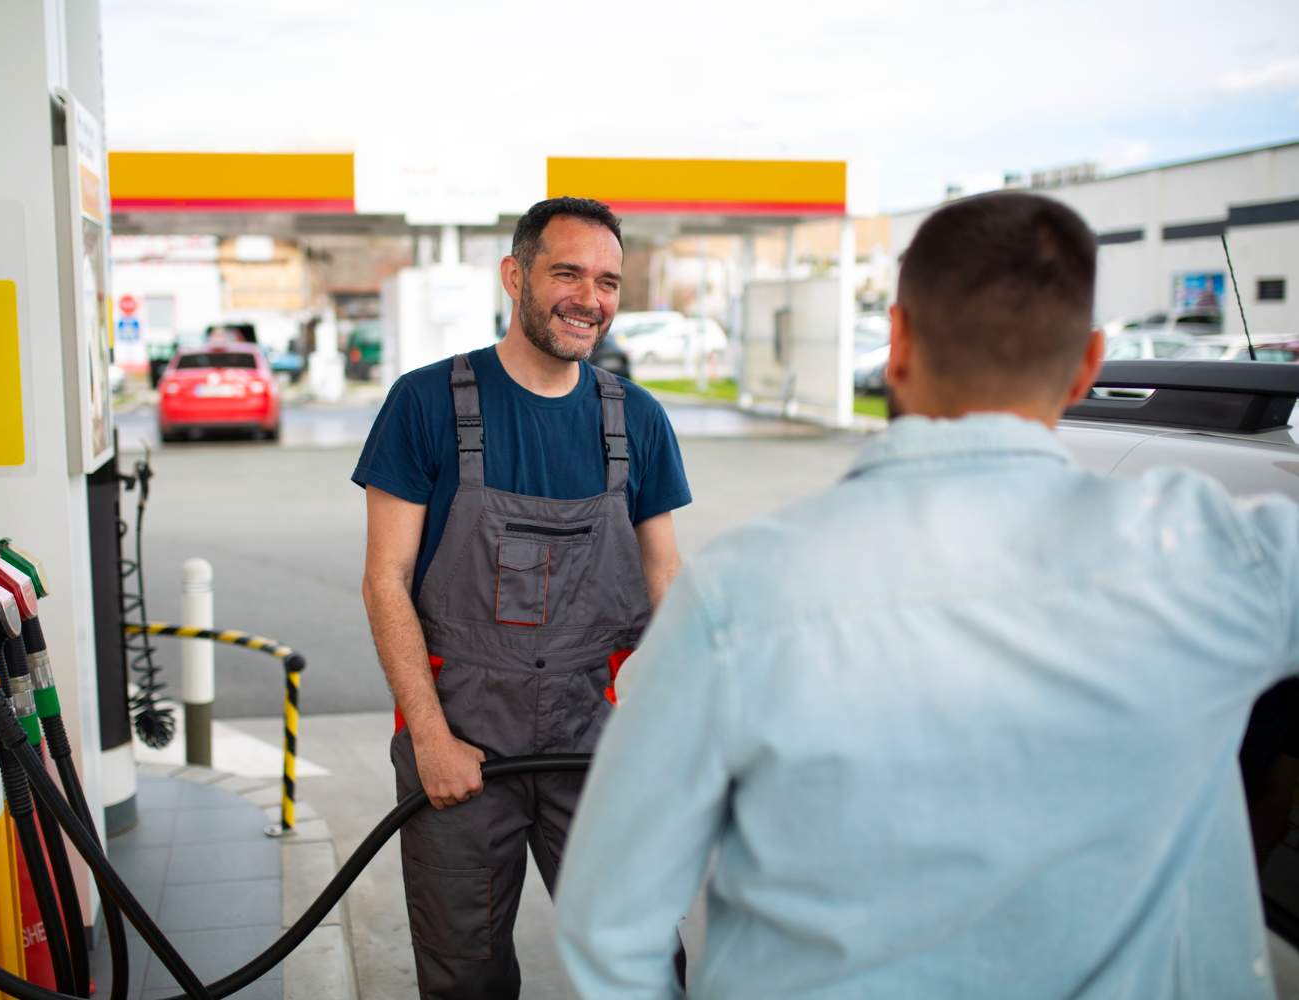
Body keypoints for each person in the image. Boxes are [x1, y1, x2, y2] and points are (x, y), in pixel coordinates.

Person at [555, 191, 1295, 998]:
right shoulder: (1220, 555)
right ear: (1089, 363)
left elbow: (609, 925)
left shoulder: (738, 593)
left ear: (897, 343)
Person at [354, 196, 691, 999]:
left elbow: (667, 582)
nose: (590, 298)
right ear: (515, 276)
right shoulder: (426, 403)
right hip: (462, 742)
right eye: (567, 273)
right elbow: (384, 580)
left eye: (607, 281)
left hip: (597, 743)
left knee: (640, 964)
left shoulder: (638, 420)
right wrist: (431, 739)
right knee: (465, 976)